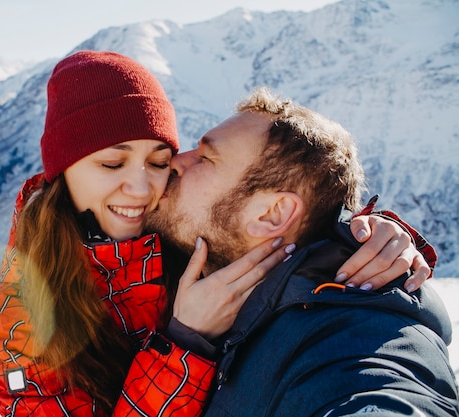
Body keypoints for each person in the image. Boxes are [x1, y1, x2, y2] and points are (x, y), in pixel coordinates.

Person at [0, 51, 436, 417]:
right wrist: (184, 345)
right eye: (112, 163)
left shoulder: (179, 238)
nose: (146, 185)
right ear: (63, 173)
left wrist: (367, 232)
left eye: (159, 159)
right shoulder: (17, 319)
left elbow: (378, 386)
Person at [146, 87, 458, 416]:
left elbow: (383, 392)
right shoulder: (170, 268)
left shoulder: (353, 336)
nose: (174, 161)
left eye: (206, 157)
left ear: (272, 215)